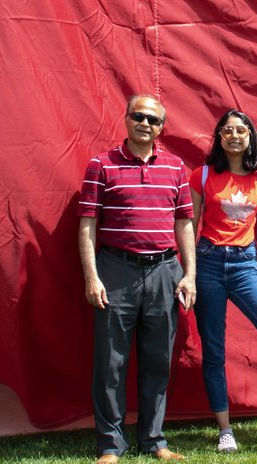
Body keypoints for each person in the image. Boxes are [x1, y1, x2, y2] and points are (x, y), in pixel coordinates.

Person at [77, 94, 196, 464]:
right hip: (116, 270)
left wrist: (190, 274)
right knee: (111, 362)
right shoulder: (101, 165)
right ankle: (110, 445)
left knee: (158, 359)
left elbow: (184, 224)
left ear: (162, 127)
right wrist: (92, 277)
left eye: (154, 120)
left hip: (164, 272)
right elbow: (87, 225)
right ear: (126, 119)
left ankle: (153, 440)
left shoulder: (176, 168)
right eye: (139, 116)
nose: (146, 124)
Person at [191, 109, 257, 456]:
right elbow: (190, 228)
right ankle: (225, 430)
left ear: (251, 137)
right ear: (219, 137)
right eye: (227, 131)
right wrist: (188, 274)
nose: (234, 136)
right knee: (214, 349)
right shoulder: (202, 174)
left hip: (245, 264)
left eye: (241, 131)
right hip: (207, 263)